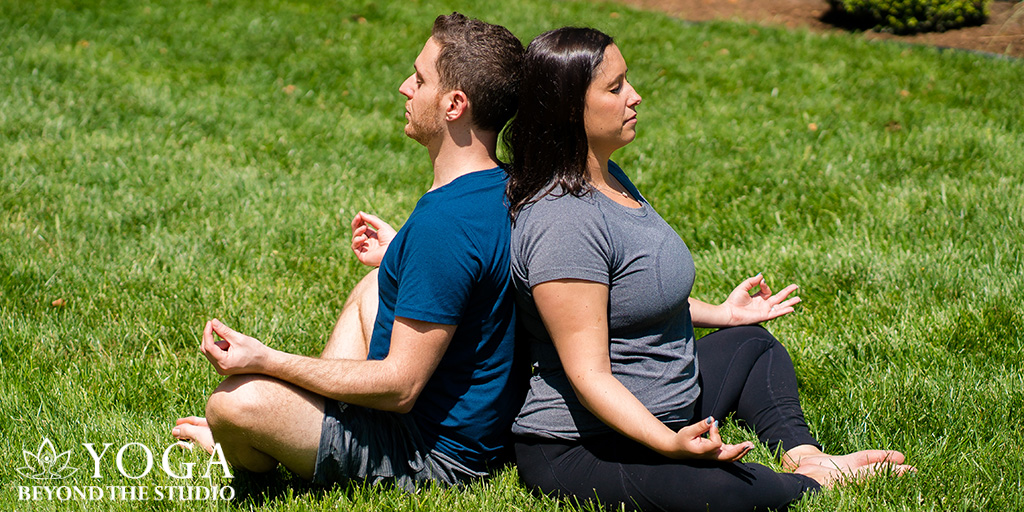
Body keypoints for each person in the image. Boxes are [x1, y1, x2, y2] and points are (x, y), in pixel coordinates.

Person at [502, 27, 913, 511]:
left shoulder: (608, 175)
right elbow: (589, 375)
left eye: (627, 80)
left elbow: (626, 297)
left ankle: (806, 457)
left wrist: (725, 315)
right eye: (615, 89)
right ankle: (817, 485)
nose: (635, 96)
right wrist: (666, 443)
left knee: (754, 345)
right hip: (588, 443)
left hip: (670, 405)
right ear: (570, 109)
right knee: (724, 493)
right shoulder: (563, 223)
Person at [171, 13, 524, 492]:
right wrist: (401, 256)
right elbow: (473, 275)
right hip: (475, 434)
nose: (405, 87)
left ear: (454, 104)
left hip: (431, 457)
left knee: (234, 403)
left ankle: (275, 457)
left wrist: (266, 360)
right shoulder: (497, 189)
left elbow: (400, 387)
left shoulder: (445, 225)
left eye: (419, 80)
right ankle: (314, 427)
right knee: (372, 288)